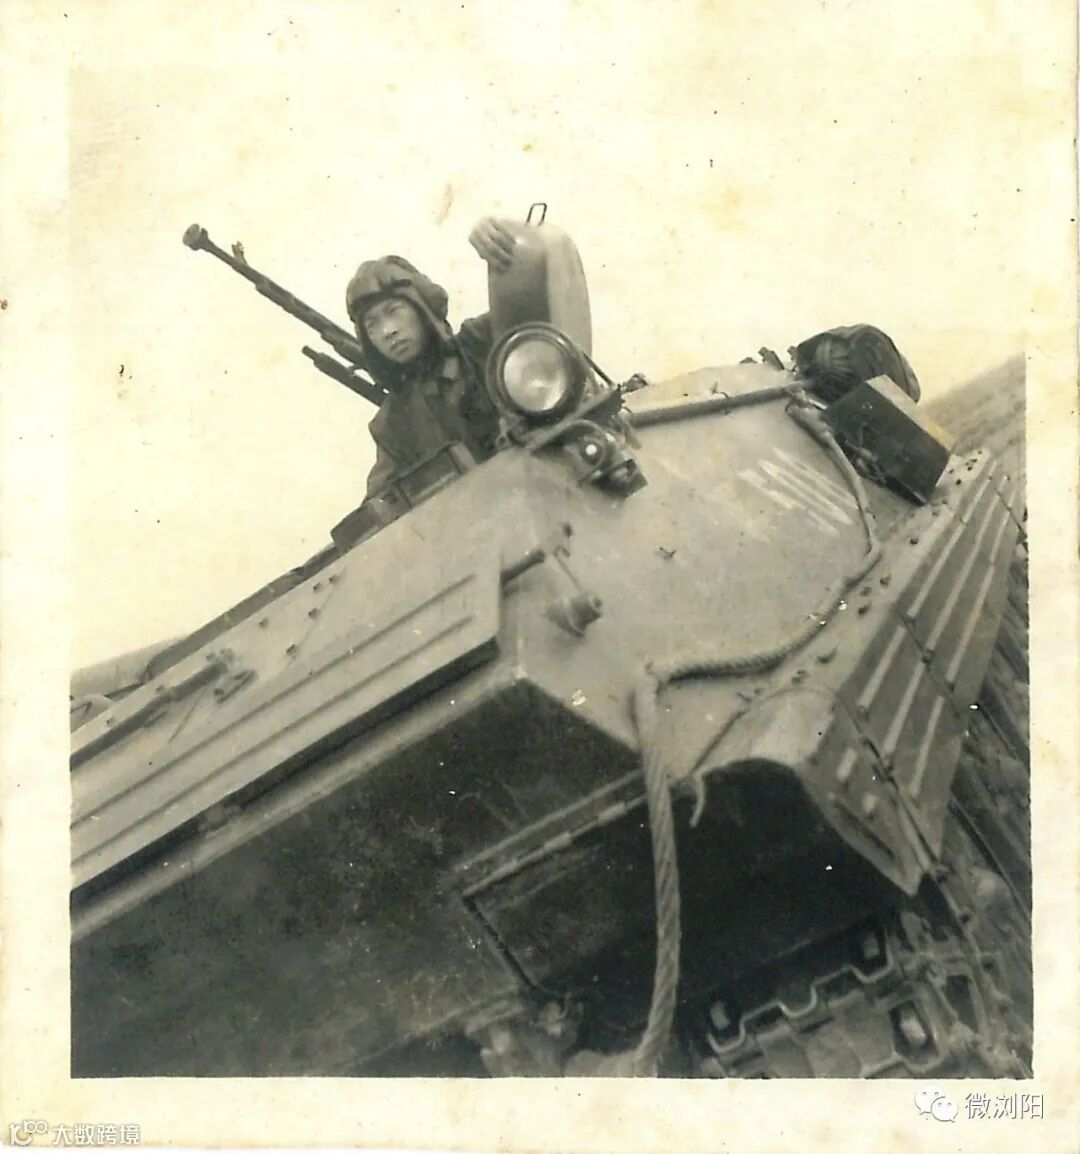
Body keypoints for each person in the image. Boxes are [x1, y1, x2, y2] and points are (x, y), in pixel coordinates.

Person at [345, 217, 518, 499]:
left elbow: (535, 304)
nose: (388, 331)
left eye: (394, 310)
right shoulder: (393, 423)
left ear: (421, 308)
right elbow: (381, 505)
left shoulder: (482, 342)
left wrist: (505, 236)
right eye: (372, 325)